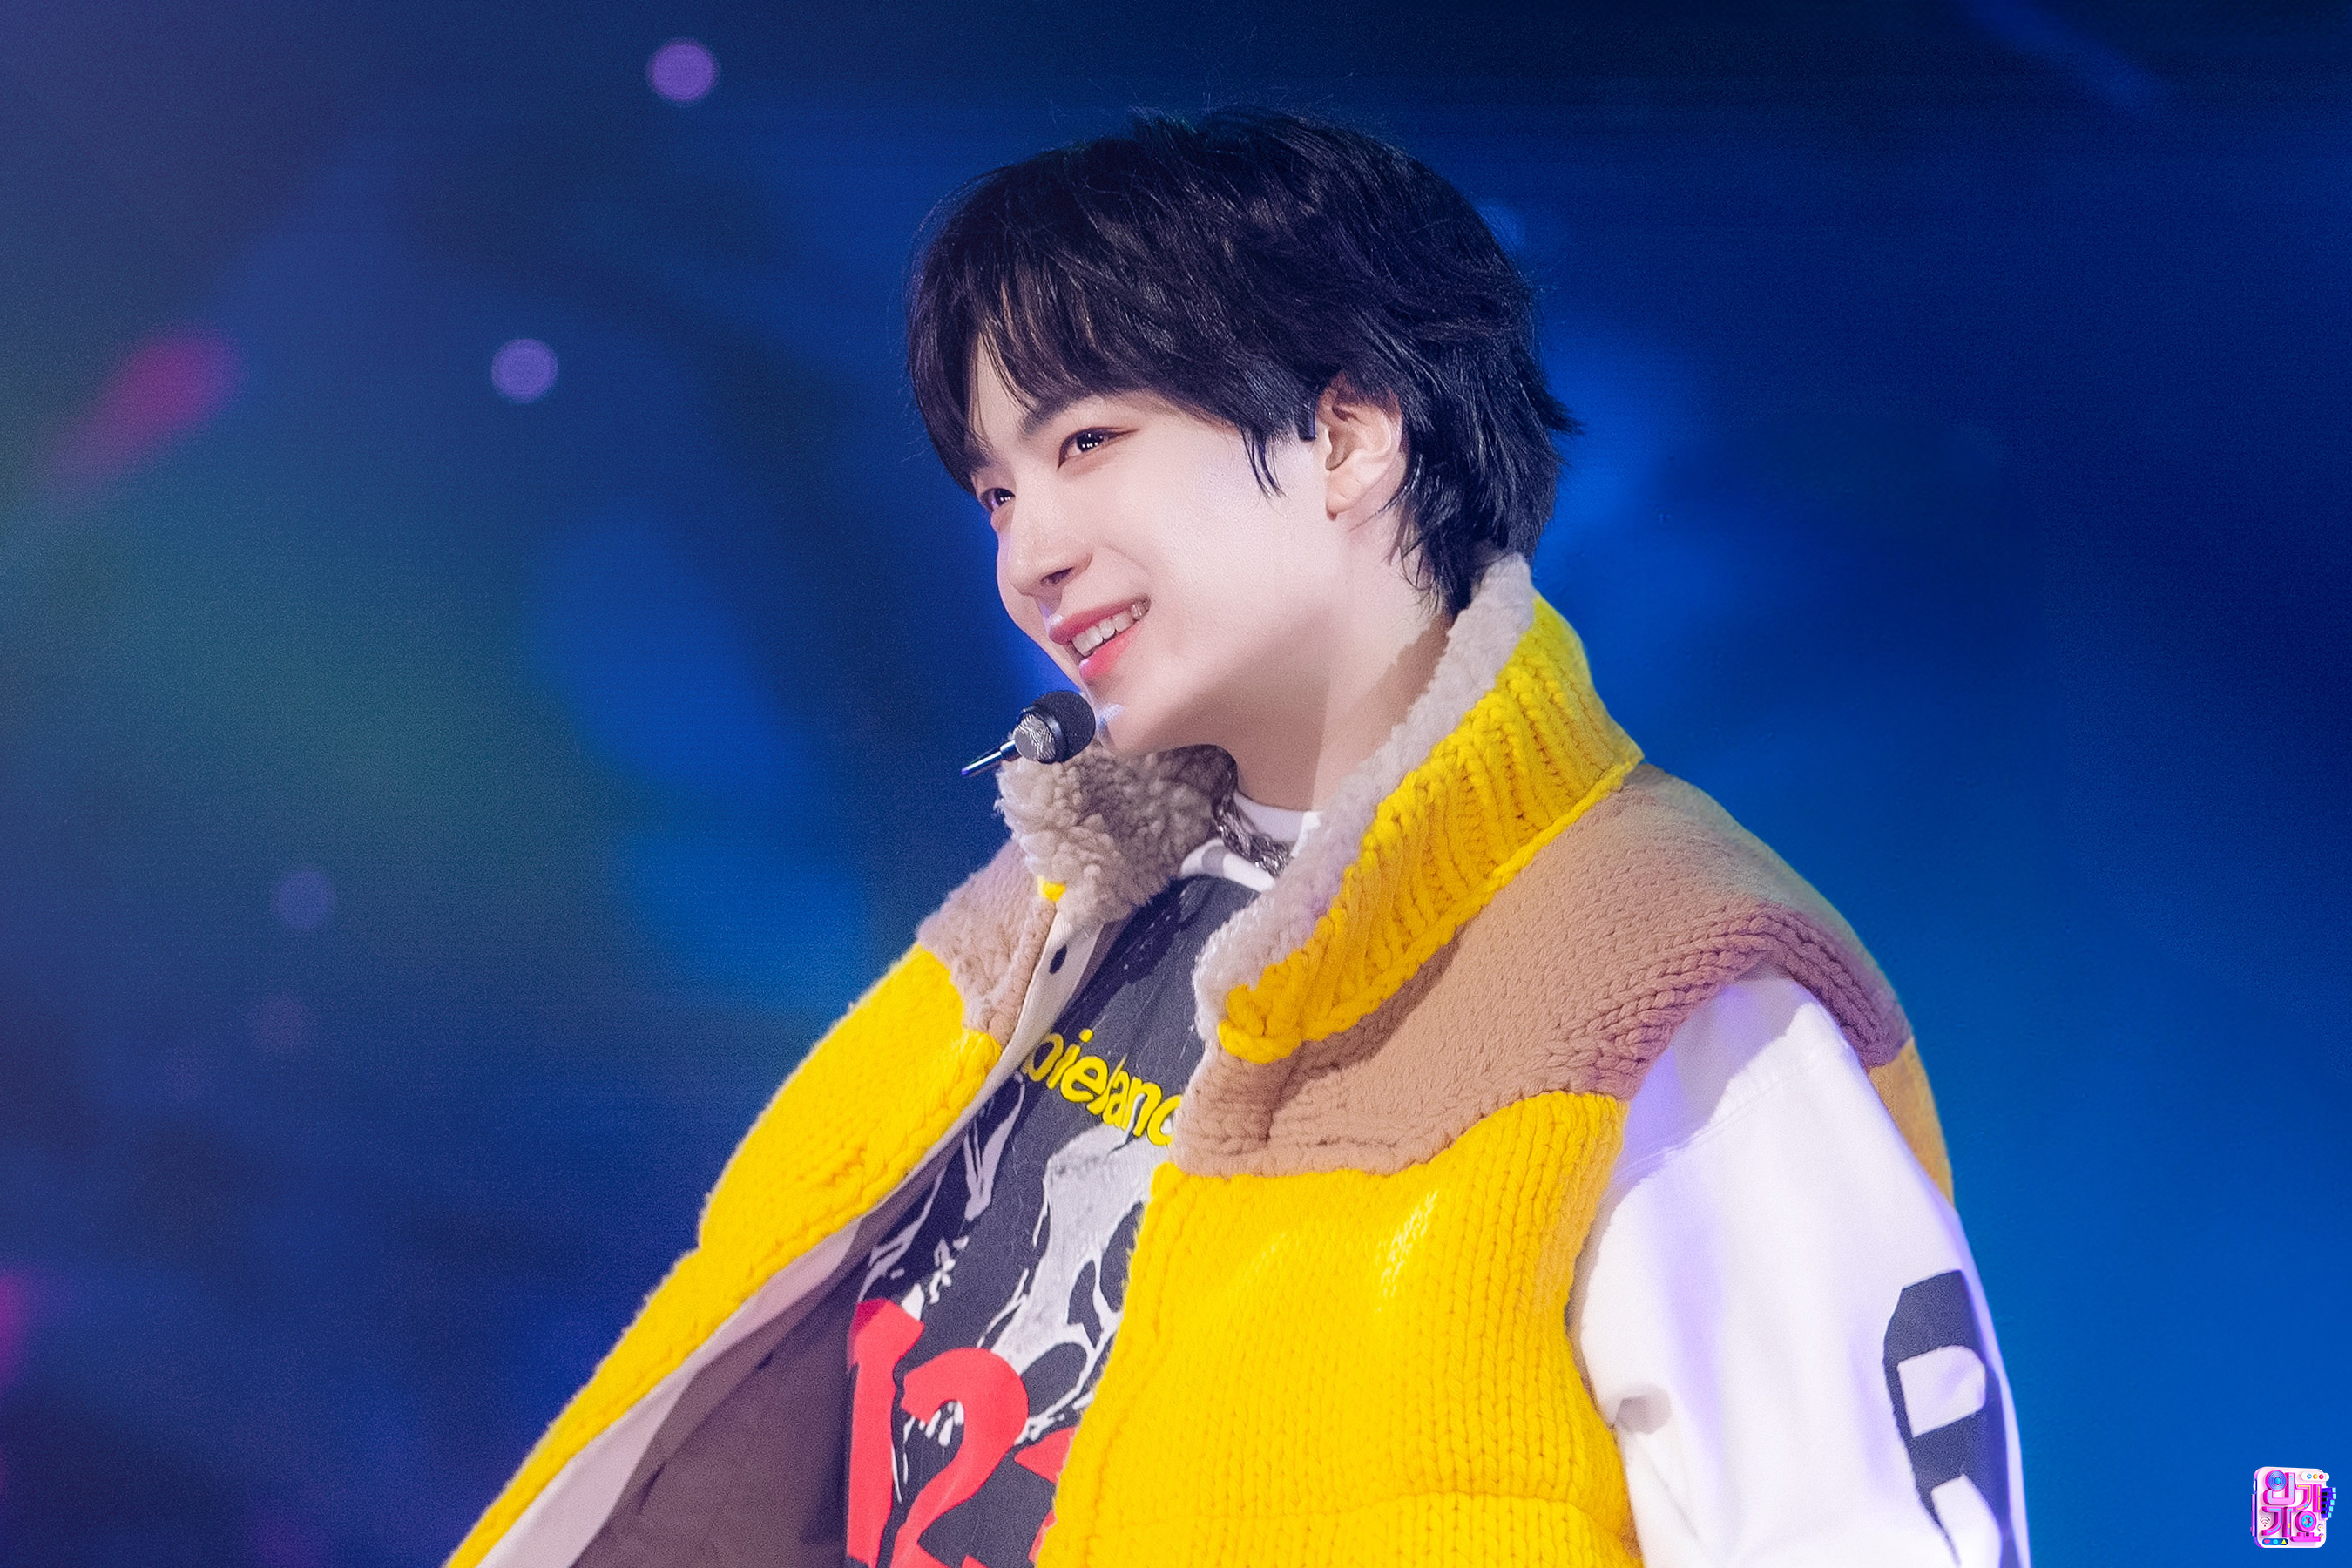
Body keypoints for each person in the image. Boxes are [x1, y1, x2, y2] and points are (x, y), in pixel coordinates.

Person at [449, 108, 2029, 1568]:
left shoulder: (1666, 975)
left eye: (1086, 442)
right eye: (995, 493)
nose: (1029, 556)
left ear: (1349, 436)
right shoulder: (1040, 914)